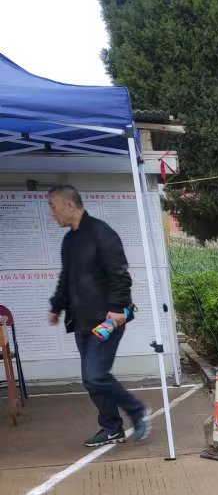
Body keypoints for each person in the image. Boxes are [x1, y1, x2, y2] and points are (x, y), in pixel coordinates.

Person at [47, 185, 151, 447]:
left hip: (107, 320)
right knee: (91, 380)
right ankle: (112, 428)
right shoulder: (69, 241)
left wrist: (117, 308)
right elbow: (66, 278)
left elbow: (120, 274)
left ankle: (137, 410)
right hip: (82, 321)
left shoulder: (101, 232)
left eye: (53, 207)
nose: (51, 213)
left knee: (96, 375)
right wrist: (56, 306)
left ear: (69, 205)